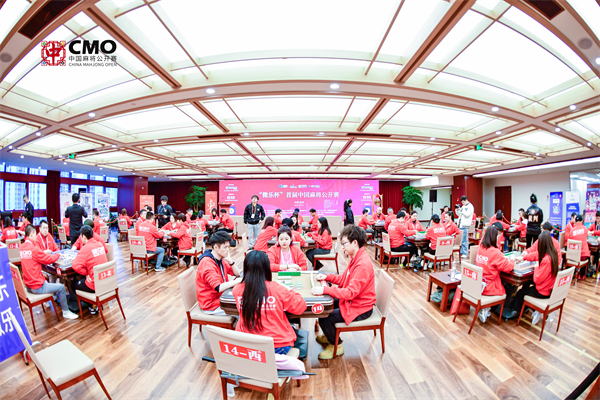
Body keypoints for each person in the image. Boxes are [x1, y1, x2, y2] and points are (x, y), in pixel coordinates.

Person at [311, 225, 375, 359]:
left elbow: (350, 293)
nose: (342, 247)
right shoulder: (356, 257)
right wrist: (327, 277)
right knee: (324, 307)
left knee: (325, 315)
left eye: (344, 243)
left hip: (361, 307)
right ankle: (331, 335)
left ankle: (336, 345)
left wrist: (325, 288)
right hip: (355, 300)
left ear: (355, 243)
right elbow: (343, 279)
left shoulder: (362, 264)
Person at [233, 251, 307, 353]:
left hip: (247, 345)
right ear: (267, 268)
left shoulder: (237, 290)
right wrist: (290, 290)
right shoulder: (277, 289)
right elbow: (300, 307)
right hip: (277, 346)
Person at [20, 225, 79, 320]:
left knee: (51, 279)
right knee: (61, 287)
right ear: (32, 234)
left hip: (28, 285)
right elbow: (48, 260)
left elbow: (36, 257)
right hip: (37, 286)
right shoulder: (34, 249)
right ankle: (66, 311)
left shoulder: (22, 247)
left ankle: (53, 298)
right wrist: (58, 255)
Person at [506, 231, 560, 322]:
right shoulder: (552, 253)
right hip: (548, 287)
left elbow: (537, 280)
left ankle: (514, 312)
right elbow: (536, 254)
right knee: (526, 286)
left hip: (543, 291)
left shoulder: (546, 260)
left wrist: (537, 268)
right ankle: (530, 308)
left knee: (521, 293)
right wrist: (524, 257)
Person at [195, 231, 242, 315]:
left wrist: (230, 261)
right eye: (225, 247)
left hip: (220, 298)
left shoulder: (220, 259)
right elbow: (218, 287)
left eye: (228, 247)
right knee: (244, 310)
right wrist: (239, 281)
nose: (228, 250)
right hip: (211, 305)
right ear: (216, 247)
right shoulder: (207, 262)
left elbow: (237, 273)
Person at [475, 226, 514, 323]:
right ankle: (492, 306)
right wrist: (512, 259)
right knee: (508, 287)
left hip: (479, 284)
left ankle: (488, 307)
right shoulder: (495, 252)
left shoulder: (481, 248)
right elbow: (509, 267)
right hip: (490, 286)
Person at [70, 225, 108, 315]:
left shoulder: (85, 248)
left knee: (73, 285)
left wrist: (87, 273)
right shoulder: (99, 244)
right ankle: (92, 304)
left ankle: (91, 304)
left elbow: (75, 266)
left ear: (83, 236)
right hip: (105, 281)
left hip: (94, 284)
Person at [565, 214, 590, 279]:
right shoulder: (585, 228)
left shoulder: (572, 230)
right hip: (582, 256)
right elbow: (586, 235)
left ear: (575, 221)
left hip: (573, 256)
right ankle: (582, 275)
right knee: (587, 255)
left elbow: (569, 238)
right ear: (582, 221)